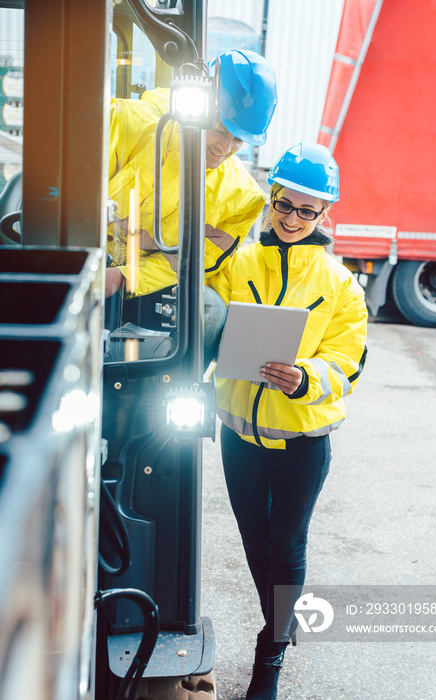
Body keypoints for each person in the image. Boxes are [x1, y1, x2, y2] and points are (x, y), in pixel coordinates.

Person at [207, 142, 368, 699]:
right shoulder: (239, 263)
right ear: (271, 198)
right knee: (256, 544)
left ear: (324, 215)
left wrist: (304, 378)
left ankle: (270, 653)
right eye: (285, 205)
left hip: (301, 442)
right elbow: (208, 321)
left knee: (287, 543)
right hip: (238, 437)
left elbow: (348, 362)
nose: (293, 219)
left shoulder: (341, 285)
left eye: (308, 210)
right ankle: (280, 621)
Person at [104, 49, 277, 365]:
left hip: (143, 285)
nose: (223, 148)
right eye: (220, 129)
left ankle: (169, 394)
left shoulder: (242, 197)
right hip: (89, 267)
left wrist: (124, 276)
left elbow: (193, 263)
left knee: (209, 309)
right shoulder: (126, 124)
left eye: (238, 139)